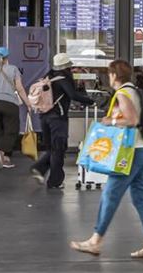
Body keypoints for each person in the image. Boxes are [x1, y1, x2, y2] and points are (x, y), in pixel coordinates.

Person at [71, 60, 143, 259]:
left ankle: (95, 241)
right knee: (140, 197)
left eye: (109, 74)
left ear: (114, 75)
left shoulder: (123, 93)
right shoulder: (135, 91)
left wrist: (109, 120)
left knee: (110, 195)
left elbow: (132, 120)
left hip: (131, 153)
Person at [31, 53, 95, 189]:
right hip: (57, 119)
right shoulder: (63, 78)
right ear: (66, 66)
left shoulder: (48, 76)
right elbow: (73, 95)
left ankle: (40, 169)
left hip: (44, 116)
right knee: (58, 149)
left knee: (52, 148)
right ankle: (54, 181)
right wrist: (91, 101)